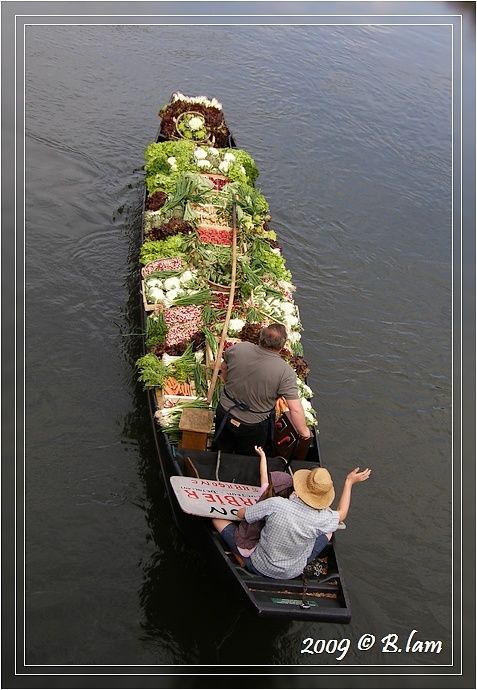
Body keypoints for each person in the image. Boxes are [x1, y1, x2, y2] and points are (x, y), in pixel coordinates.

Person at [214, 464, 371, 579]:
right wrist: (349, 482)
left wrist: (244, 508)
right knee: (329, 531)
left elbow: (243, 515)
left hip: (259, 566)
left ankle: (241, 557)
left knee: (217, 518)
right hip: (293, 571)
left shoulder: (276, 503)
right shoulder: (323, 517)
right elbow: (342, 514)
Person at [212, 323, 311, 455]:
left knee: (221, 450)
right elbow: (295, 409)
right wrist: (304, 432)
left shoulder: (239, 348)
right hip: (252, 425)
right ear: (281, 346)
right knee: (248, 458)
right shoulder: (285, 372)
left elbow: (223, 369)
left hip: (225, 412)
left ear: (260, 337)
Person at [214, 445, 293, 559]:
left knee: (216, 519)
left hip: (246, 547)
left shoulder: (264, 495)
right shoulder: (286, 506)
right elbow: (264, 475)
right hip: (262, 548)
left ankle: (235, 553)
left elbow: (240, 514)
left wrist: (263, 456)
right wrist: (263, 456)